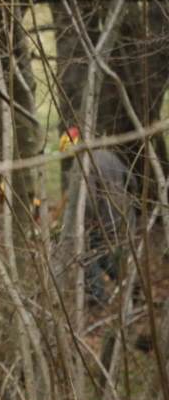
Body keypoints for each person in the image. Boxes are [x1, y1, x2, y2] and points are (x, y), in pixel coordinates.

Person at [59, 126, 133, 305]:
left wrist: (83, 222)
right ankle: (130, 283)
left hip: (100, 219)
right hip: (123, 215)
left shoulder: (84, 164)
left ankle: (97, 296)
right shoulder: (109, 155)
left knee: (86, 255)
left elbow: (89, 201)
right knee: (106, 253)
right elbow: (133, 181)